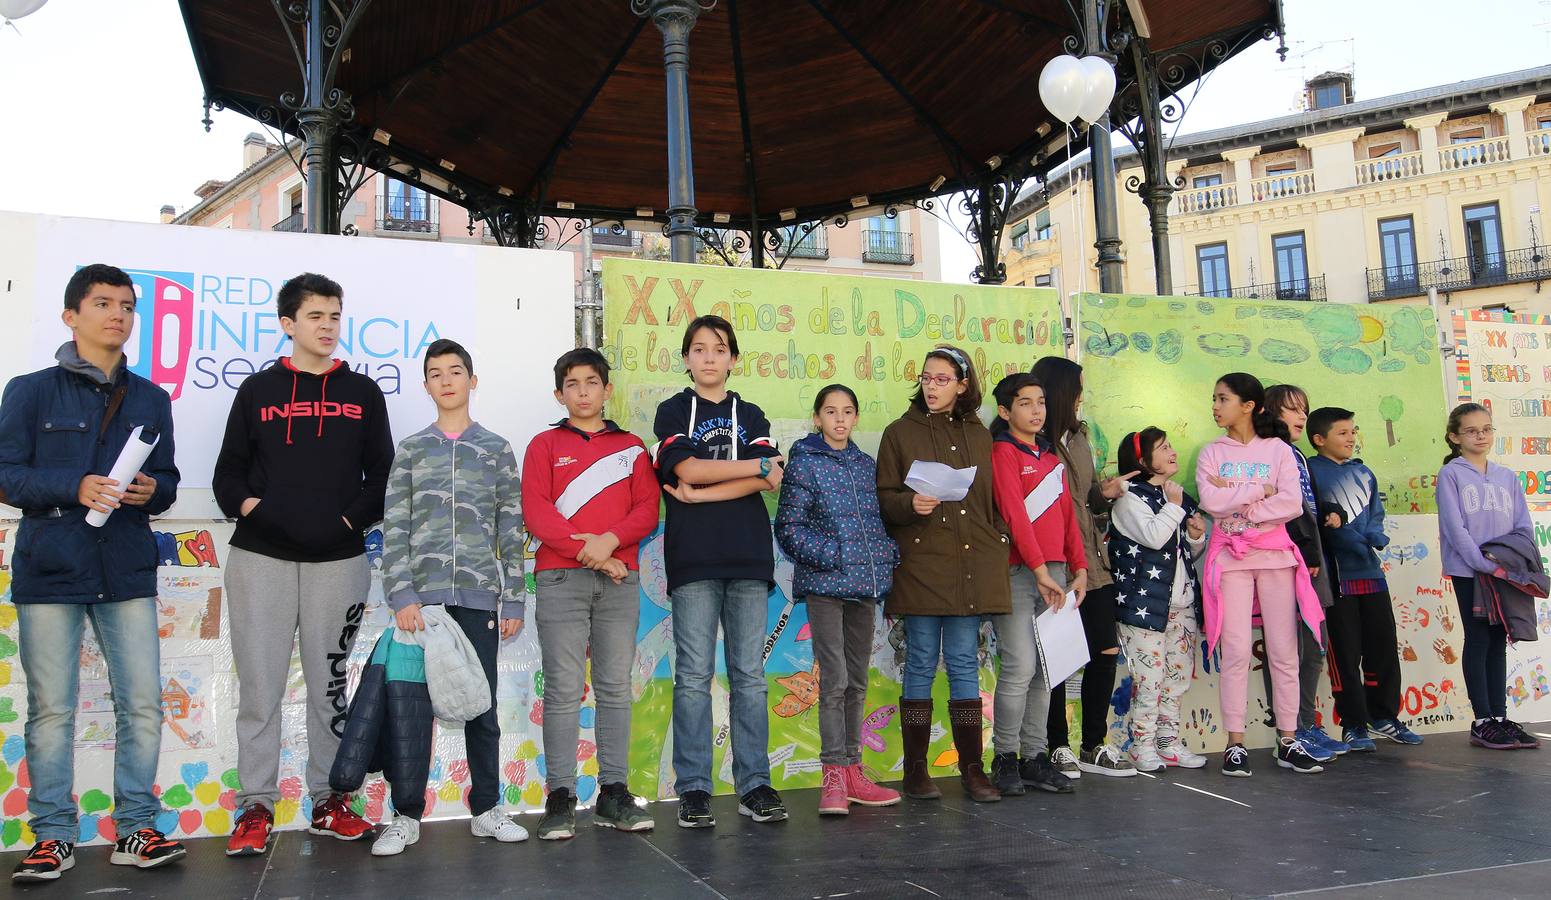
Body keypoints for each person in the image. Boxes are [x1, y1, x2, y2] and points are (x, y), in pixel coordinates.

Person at [2, 265, 187, 882]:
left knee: (142, 706)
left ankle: (136, 827)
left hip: (126, 565)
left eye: (128, 306)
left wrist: (148, 489)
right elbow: (7, 476)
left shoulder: (151, 398)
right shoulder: (28, 391)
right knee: (51, 709)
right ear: (70, 316)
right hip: (50, 565)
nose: (119, 315)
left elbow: (169, 483)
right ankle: (52, 835)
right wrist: (72, 485)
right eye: (104, 303)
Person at [213, 273, 393, 855]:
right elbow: (227, 474)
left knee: (330, 688)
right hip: (260, 557)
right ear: (289, 324)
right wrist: (256, 512)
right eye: (316, 316)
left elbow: (382, 477)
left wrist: (345, 524)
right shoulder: (258, 391)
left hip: (338, 561)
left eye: (335, 316)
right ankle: (255, 807)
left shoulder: (363, 392)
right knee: (260, 689)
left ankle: (329, 799)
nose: (328, 327)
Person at [372, 339, 529, 855]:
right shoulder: (413, 449)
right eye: (435, 373)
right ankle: (405, 816)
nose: (446, 380)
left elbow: (512, 529)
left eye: (455, 371)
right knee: (412, 713)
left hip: (481, 601)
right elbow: (394, 528)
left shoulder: (497, 449)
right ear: (425, 385)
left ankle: (486, 809)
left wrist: (512, 600)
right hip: (423, 605)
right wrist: (401, 594)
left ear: (472, 380)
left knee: (481, 710)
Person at [652, 314, 787, 827]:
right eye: (700, 349)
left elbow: (770, 478)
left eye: (720, 348)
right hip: (693, 559)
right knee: (692, 676)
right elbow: (686, 469)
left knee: (749, 676)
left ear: (733, 358)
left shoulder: (750, 413)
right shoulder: (671, 411)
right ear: (687, 358)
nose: (710, 357)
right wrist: (746, 471)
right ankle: (693, 789)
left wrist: (699, 494)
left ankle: (755, 785)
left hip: (749, 556)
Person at [525, 348, 661, 838]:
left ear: (607, 390)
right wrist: (599, 555)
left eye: (592, 382)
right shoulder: (543, 445)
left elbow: (647, 509)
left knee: (614, 689)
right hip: (562, 580)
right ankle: (560, 797)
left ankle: (613, 794)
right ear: (559, 393)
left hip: (619, 582)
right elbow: (537, 513)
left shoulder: (631, 447)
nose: (583, 392)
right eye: (572, 384)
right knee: (563, 689)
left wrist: (609, 544)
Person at [877, 345, 1010, 804]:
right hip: (920, 566)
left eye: (941, 379)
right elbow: (884, 498)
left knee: (963, 667)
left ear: (962, 385)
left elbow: (994, 503)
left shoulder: (981, 435)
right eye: (926, 378)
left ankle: (972, 770)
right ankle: (915, 772)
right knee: (917, 665)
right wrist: (908, 505)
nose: (931, 386)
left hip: (970, 567)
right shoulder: (899, 432)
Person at [773, 383, 902, 815]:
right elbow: (788, 527)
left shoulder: (866, 465)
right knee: (834, 681)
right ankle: (832, 776)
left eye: (848, 412)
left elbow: (879, 522)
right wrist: (838, 556)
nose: (840, 419)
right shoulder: (805, 463)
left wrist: (883, 557)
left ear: (856, 417)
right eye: (831, 412)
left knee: (858, 680)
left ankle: (853, 773)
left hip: (864, 589)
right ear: (817, 418)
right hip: (827, 587)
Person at [1195, 373, 1326, 777]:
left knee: (1284, 651)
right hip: (1230, 560)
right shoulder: (1210, 452)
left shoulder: (1279, 451)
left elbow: (1290, 503)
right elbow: (1210, 501)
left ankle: (1288, 739)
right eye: (1214, 399)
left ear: (1248, 405)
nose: (1215, 406)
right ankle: (1236, 743)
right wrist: (1258, 491)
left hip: (1275, 558)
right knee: (1234, 651)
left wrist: (1244, 508)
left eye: (1222, 399)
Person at [1029, 357, 1135, 778]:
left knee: (1104, 650)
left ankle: (1094, 743)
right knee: (1055, 654)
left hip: (1093, 559)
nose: (1080, 396)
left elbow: (1086, 497)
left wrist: (1103, 494)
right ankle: (1057, 745)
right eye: (1076, 389)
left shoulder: (1081, 436)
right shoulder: (1032, 441)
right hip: (1053, 561)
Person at [986, 373, 1085, 796]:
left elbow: (1067, 518)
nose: (1036, 410)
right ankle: (1005, 757)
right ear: (1006, 412)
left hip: (1057, 574)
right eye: (1025, 403)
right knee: (1020, 666)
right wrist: (1040, 570)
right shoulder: (1002, 452)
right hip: (1018, 573)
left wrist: (1078, 568)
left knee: (1047, 670)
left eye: (1041, 401)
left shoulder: (1051, 457)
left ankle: (1034, 757)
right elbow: (1014, 514)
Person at [1307, 405, 1422, 751]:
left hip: (1371, 574)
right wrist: (1356, 540)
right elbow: (1325, 527)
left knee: (1383, 647)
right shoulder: (1311, 472)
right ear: (1319, 439)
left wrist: (1372, 537)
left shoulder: (1365, 473)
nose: (1351, 438)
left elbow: (1375, 516)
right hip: (1338, 576)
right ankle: (1353, 724)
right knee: (1345, 652)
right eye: (1342, 433)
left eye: (1353, 431)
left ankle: (1384, 716)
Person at [1435, 403, 1541, 750]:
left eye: (1486, 429)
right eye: (1471, 430)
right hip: (1471, 571)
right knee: (1479, 638)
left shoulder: (1506, 476)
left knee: (1499, 640)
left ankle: (1499, 715)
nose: (1481, 436)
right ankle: (1482, 720)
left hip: (1504, 571)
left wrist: (1510, 563)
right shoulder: (1452, 474)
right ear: (1454, 437)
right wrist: (1482, 562)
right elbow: (1455, 527)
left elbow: (1523, 525)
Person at [1107, 428, 1211, 772]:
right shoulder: (1129, 498)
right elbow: (1153, 537)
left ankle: (1167, 742)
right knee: (1149, 681)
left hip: (1180, 604)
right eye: (1163, 447)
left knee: (1176, 679)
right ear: (1142, 460)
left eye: (1170, 445)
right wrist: (1176, 509)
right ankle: (1141, 745)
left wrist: (1196, 540)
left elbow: (1179, 553)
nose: (1172, 452)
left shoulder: (1174, 495)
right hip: (1145, 607)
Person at [1260, 385, 1349, 761]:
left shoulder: (1296, 453)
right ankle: (1290, 731)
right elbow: (1280, 506)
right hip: (1288, 556)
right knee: (1286, 647)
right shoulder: (1266, 451)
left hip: (1312, 556)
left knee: (1314, 645)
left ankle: (1307, 724)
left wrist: (1328, 507)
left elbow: (1304, 498)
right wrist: (1305, 544)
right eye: (1291, 409)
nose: (1300, 416)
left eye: (1304, 409)